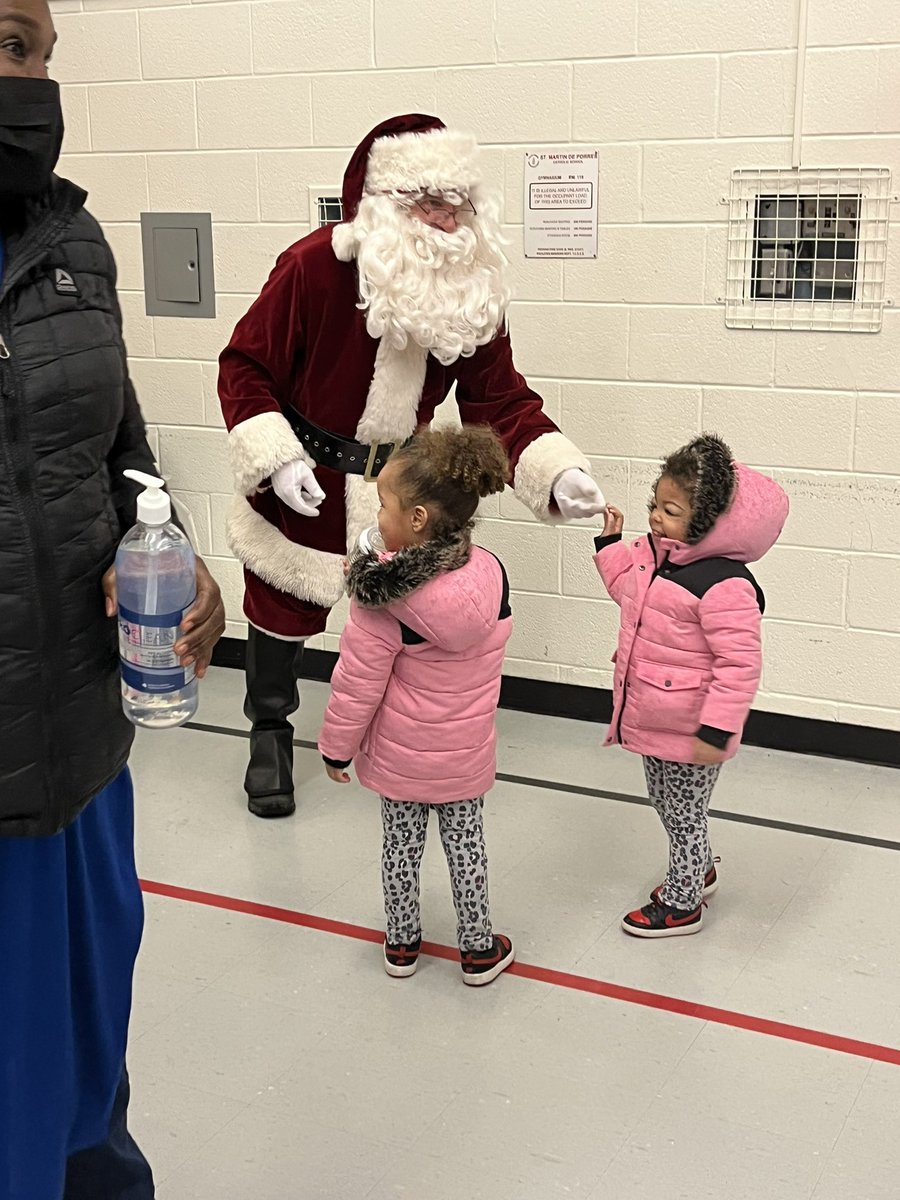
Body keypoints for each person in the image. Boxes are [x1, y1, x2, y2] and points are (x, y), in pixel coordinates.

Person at [218, 113, 606, 819]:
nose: (446, 219)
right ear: (383, 203)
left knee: (404, 622)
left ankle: (400, 738)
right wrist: (275, 458)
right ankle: (268, 729)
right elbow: (245, 366)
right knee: (280, 608)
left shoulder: (472, 290)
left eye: (457, 202)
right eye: (428, 201)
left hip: (403, 487)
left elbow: (499, 399)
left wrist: (555, 470)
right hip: (306, 472)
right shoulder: (311, 267)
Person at [0, 3, 226, 1196]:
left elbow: (122, 457)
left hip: (84, 757)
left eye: (31, 48)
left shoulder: (74, 245)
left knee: (90, 1078)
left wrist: (172, 550)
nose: (22, 78)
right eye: (1, 40)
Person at [319, 426, 515, 985]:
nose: (377, 515)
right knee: (467, 849)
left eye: (384, 505)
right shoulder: (491, 573)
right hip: (464, 756)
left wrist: (336, 749)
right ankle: (478, 949)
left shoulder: (384, 601)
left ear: (418, 518)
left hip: (402, 761)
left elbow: (357, 684)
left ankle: (401, 945)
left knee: (400, 849)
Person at [593, 435, 788, 938]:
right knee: (666, 802)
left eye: (671, 511)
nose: (656, 518)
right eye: (655, 505)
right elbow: (629, 595)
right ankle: (698, 869)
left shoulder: (725, 584)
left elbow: (739, 663)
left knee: (683, 814)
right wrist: (610, 546)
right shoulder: (659, 558)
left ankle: (683, 904)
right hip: (655, 716)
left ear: (706, 521)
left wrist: (717, 729)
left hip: (693, 725)